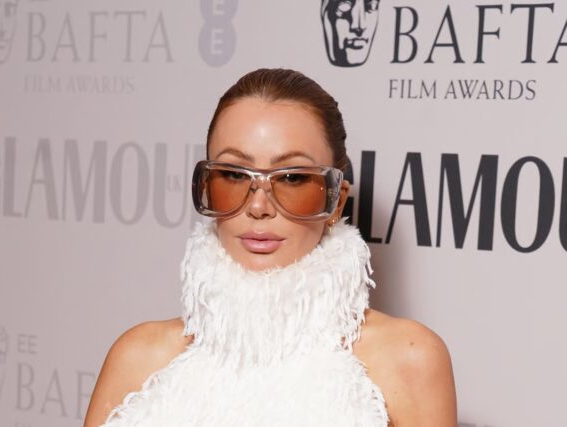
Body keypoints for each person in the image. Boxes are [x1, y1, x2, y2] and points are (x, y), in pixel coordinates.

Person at [84, 68, 457, 426]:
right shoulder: (138, 358)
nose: (258, 206)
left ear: (335, 202)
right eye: (233, 175)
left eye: (292, 177)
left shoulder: (408, 359)